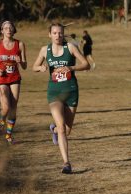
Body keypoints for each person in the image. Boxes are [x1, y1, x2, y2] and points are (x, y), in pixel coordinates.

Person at [32, 23, 90, 174]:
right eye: (54, 33)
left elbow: (86, 64)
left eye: (60, 33)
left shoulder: (70, 47)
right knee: (63, 128)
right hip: (54, 92)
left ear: (63, 34)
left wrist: (71, 68)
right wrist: (41, 68)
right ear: (49, 34)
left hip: (71, 91)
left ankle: (54, 129)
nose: (57, 35)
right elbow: (34, 66)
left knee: (67, 130)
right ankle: (66, 163)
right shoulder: (45, 50)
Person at [0, 20, 27, 143]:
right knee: (6, 107)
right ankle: (2, 121)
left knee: (13, 108)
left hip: (15, 78)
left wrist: (20, 61)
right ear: (2, 31)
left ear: (13, 30)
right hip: (2, 78)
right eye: (5, 28)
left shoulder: (20, 44)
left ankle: (8, 135)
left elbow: (24, 66)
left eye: (10, 27)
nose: (8, 29)